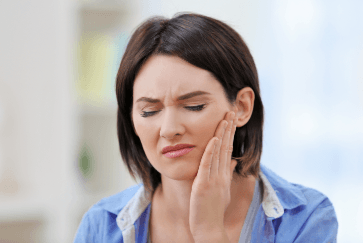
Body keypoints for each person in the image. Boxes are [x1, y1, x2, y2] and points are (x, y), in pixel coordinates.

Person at [74, 12, 338, 243]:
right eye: (149, 111)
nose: (169, 129)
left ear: (242, 107)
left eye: (194, 106)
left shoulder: (306, 219)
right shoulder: (100, 227)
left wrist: (209, 231)